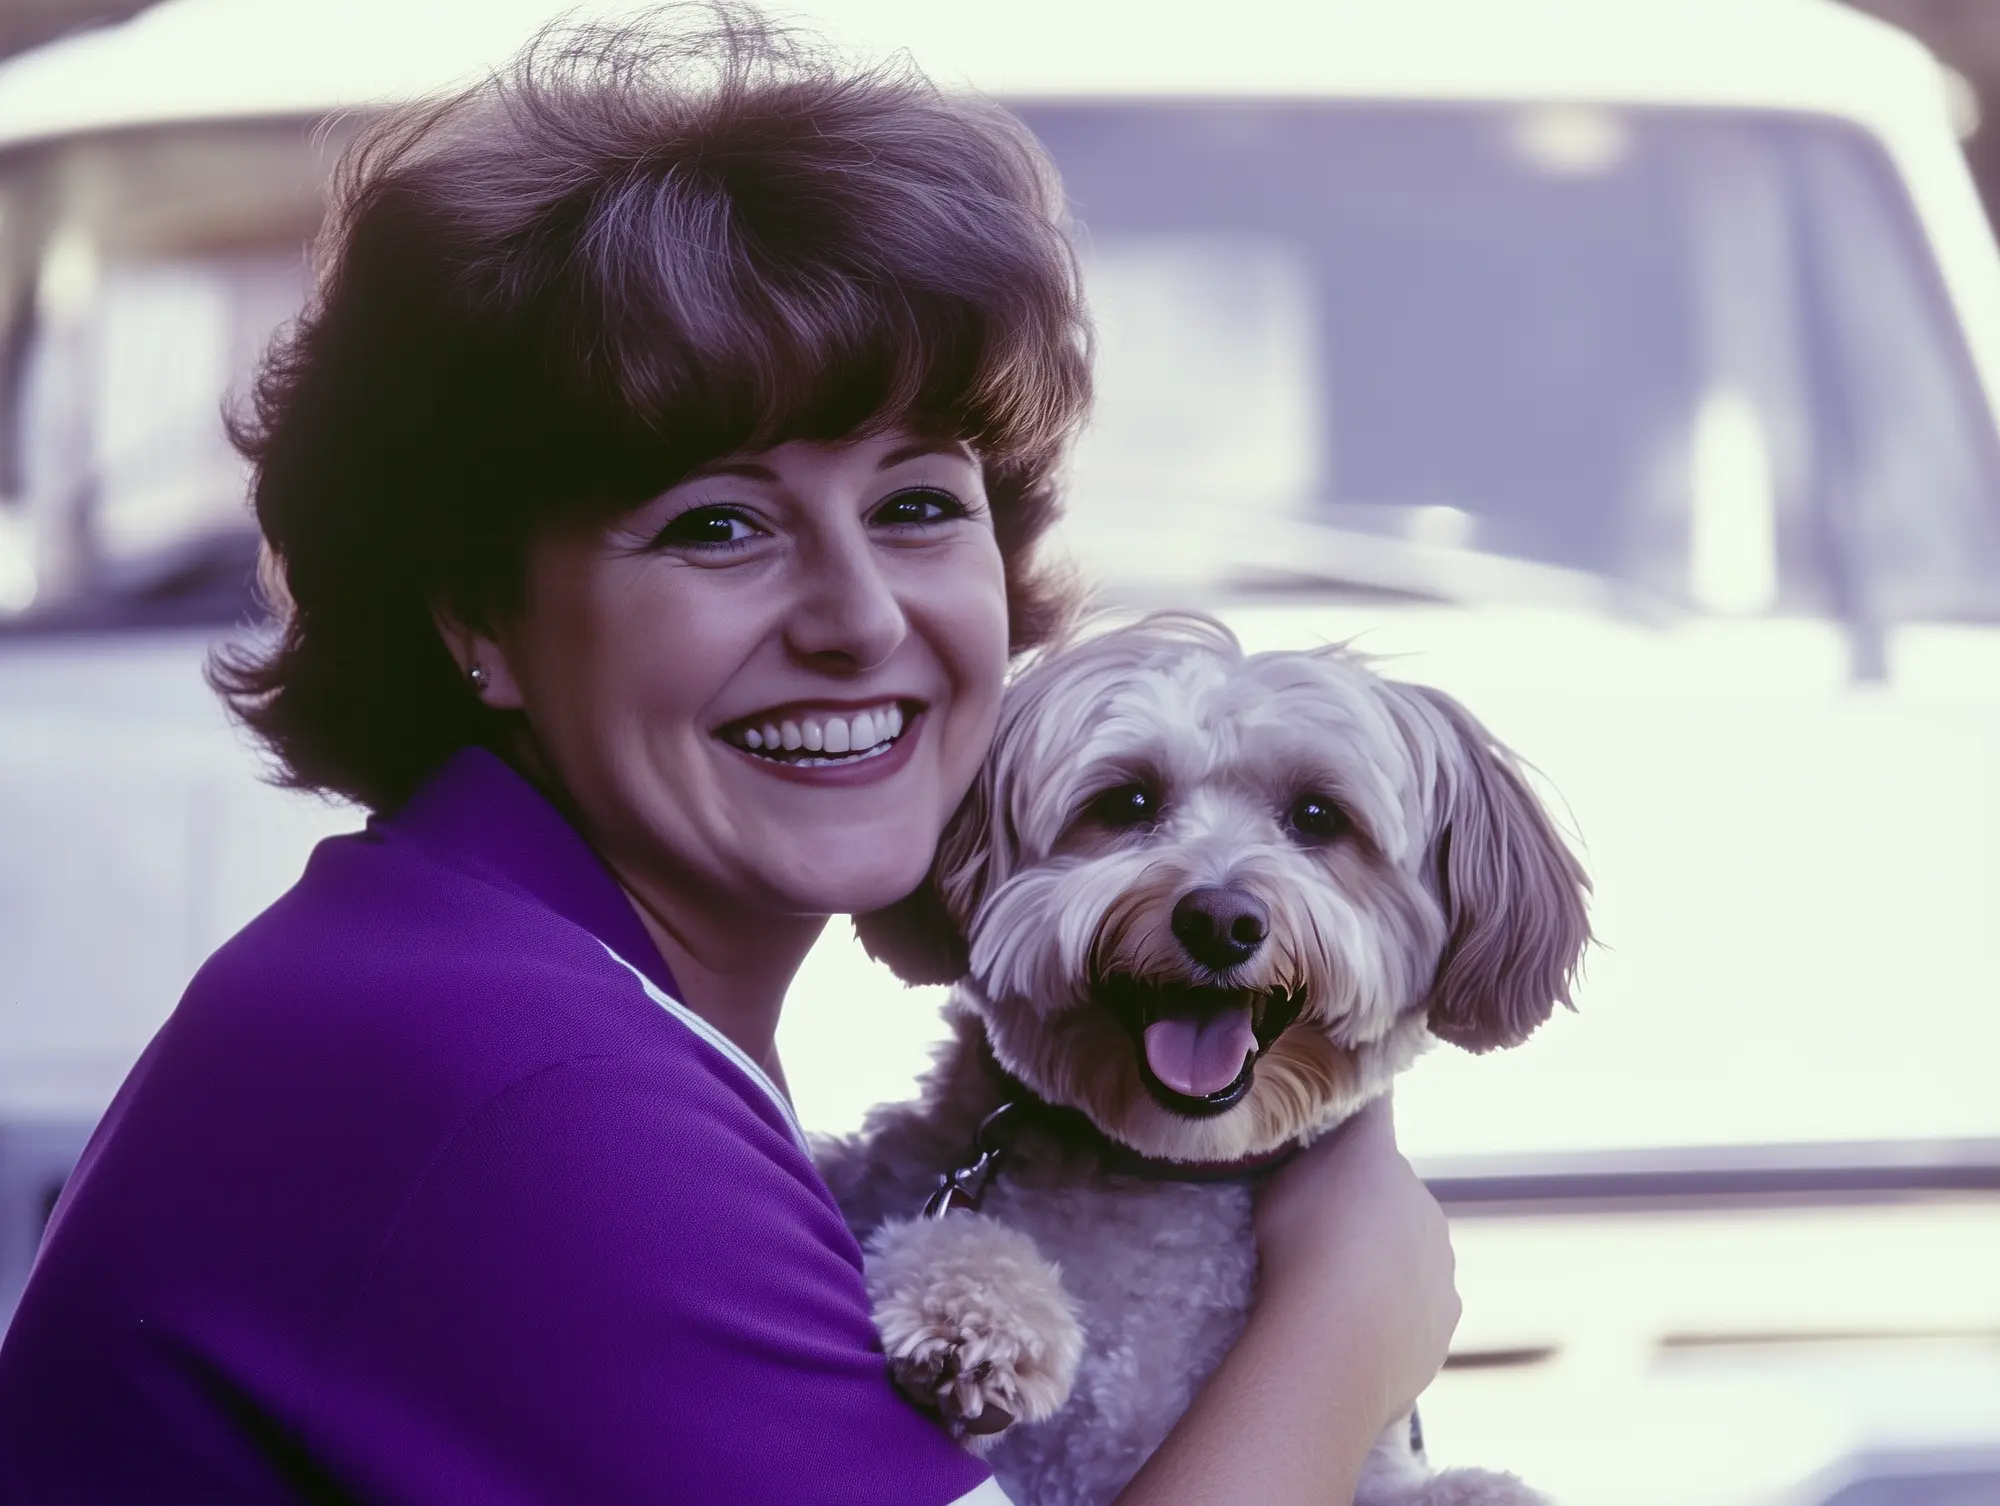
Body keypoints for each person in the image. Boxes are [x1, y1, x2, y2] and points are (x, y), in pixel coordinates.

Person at [0, 9, 1459, 1504]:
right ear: (477, 619)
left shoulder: (481, 965)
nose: (858, 615)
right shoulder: (522, 1082)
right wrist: (1346, 1315)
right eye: (719, 522)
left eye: (917, 504)